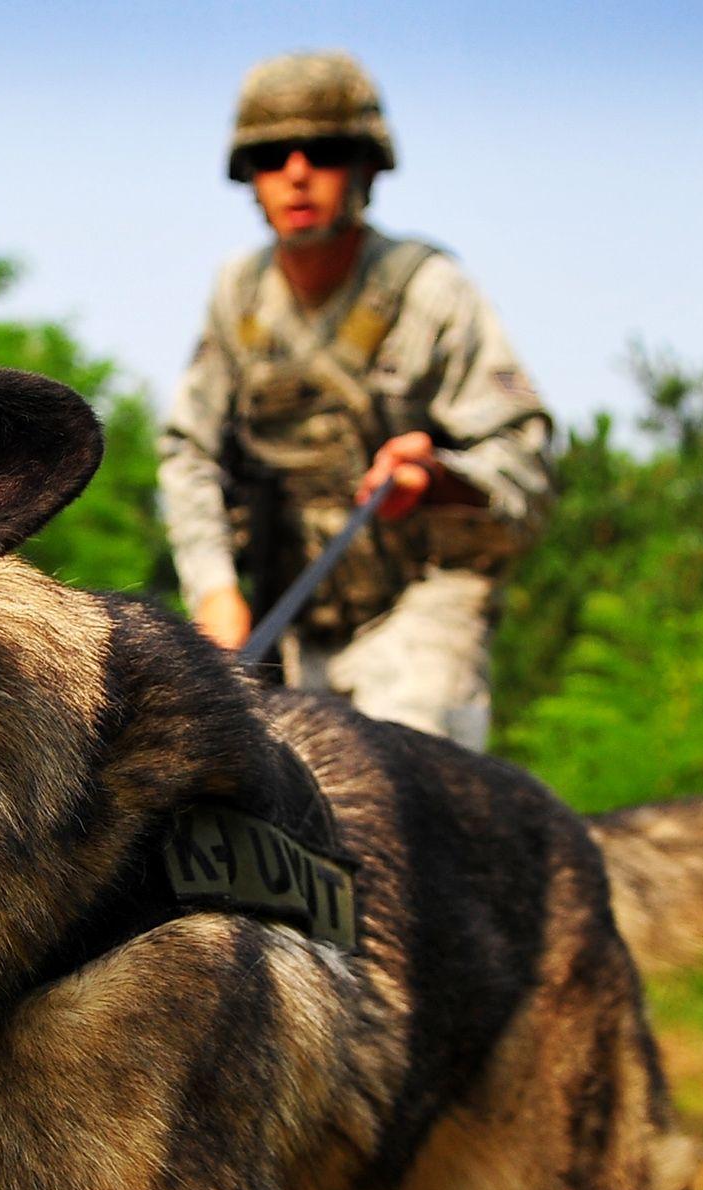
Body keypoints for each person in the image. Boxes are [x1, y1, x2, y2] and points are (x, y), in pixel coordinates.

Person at [157, 50, 555, 750]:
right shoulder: (238, 298)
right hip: (288, 622)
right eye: (273, 155)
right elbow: (188, 453)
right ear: (249, 177)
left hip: (421, 605)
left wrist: (438, 478)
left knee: (408, 792)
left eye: (326, 151)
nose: (298, 172)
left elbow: (526, 469)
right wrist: (214, 589)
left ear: (367, 167)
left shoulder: (429, 293)